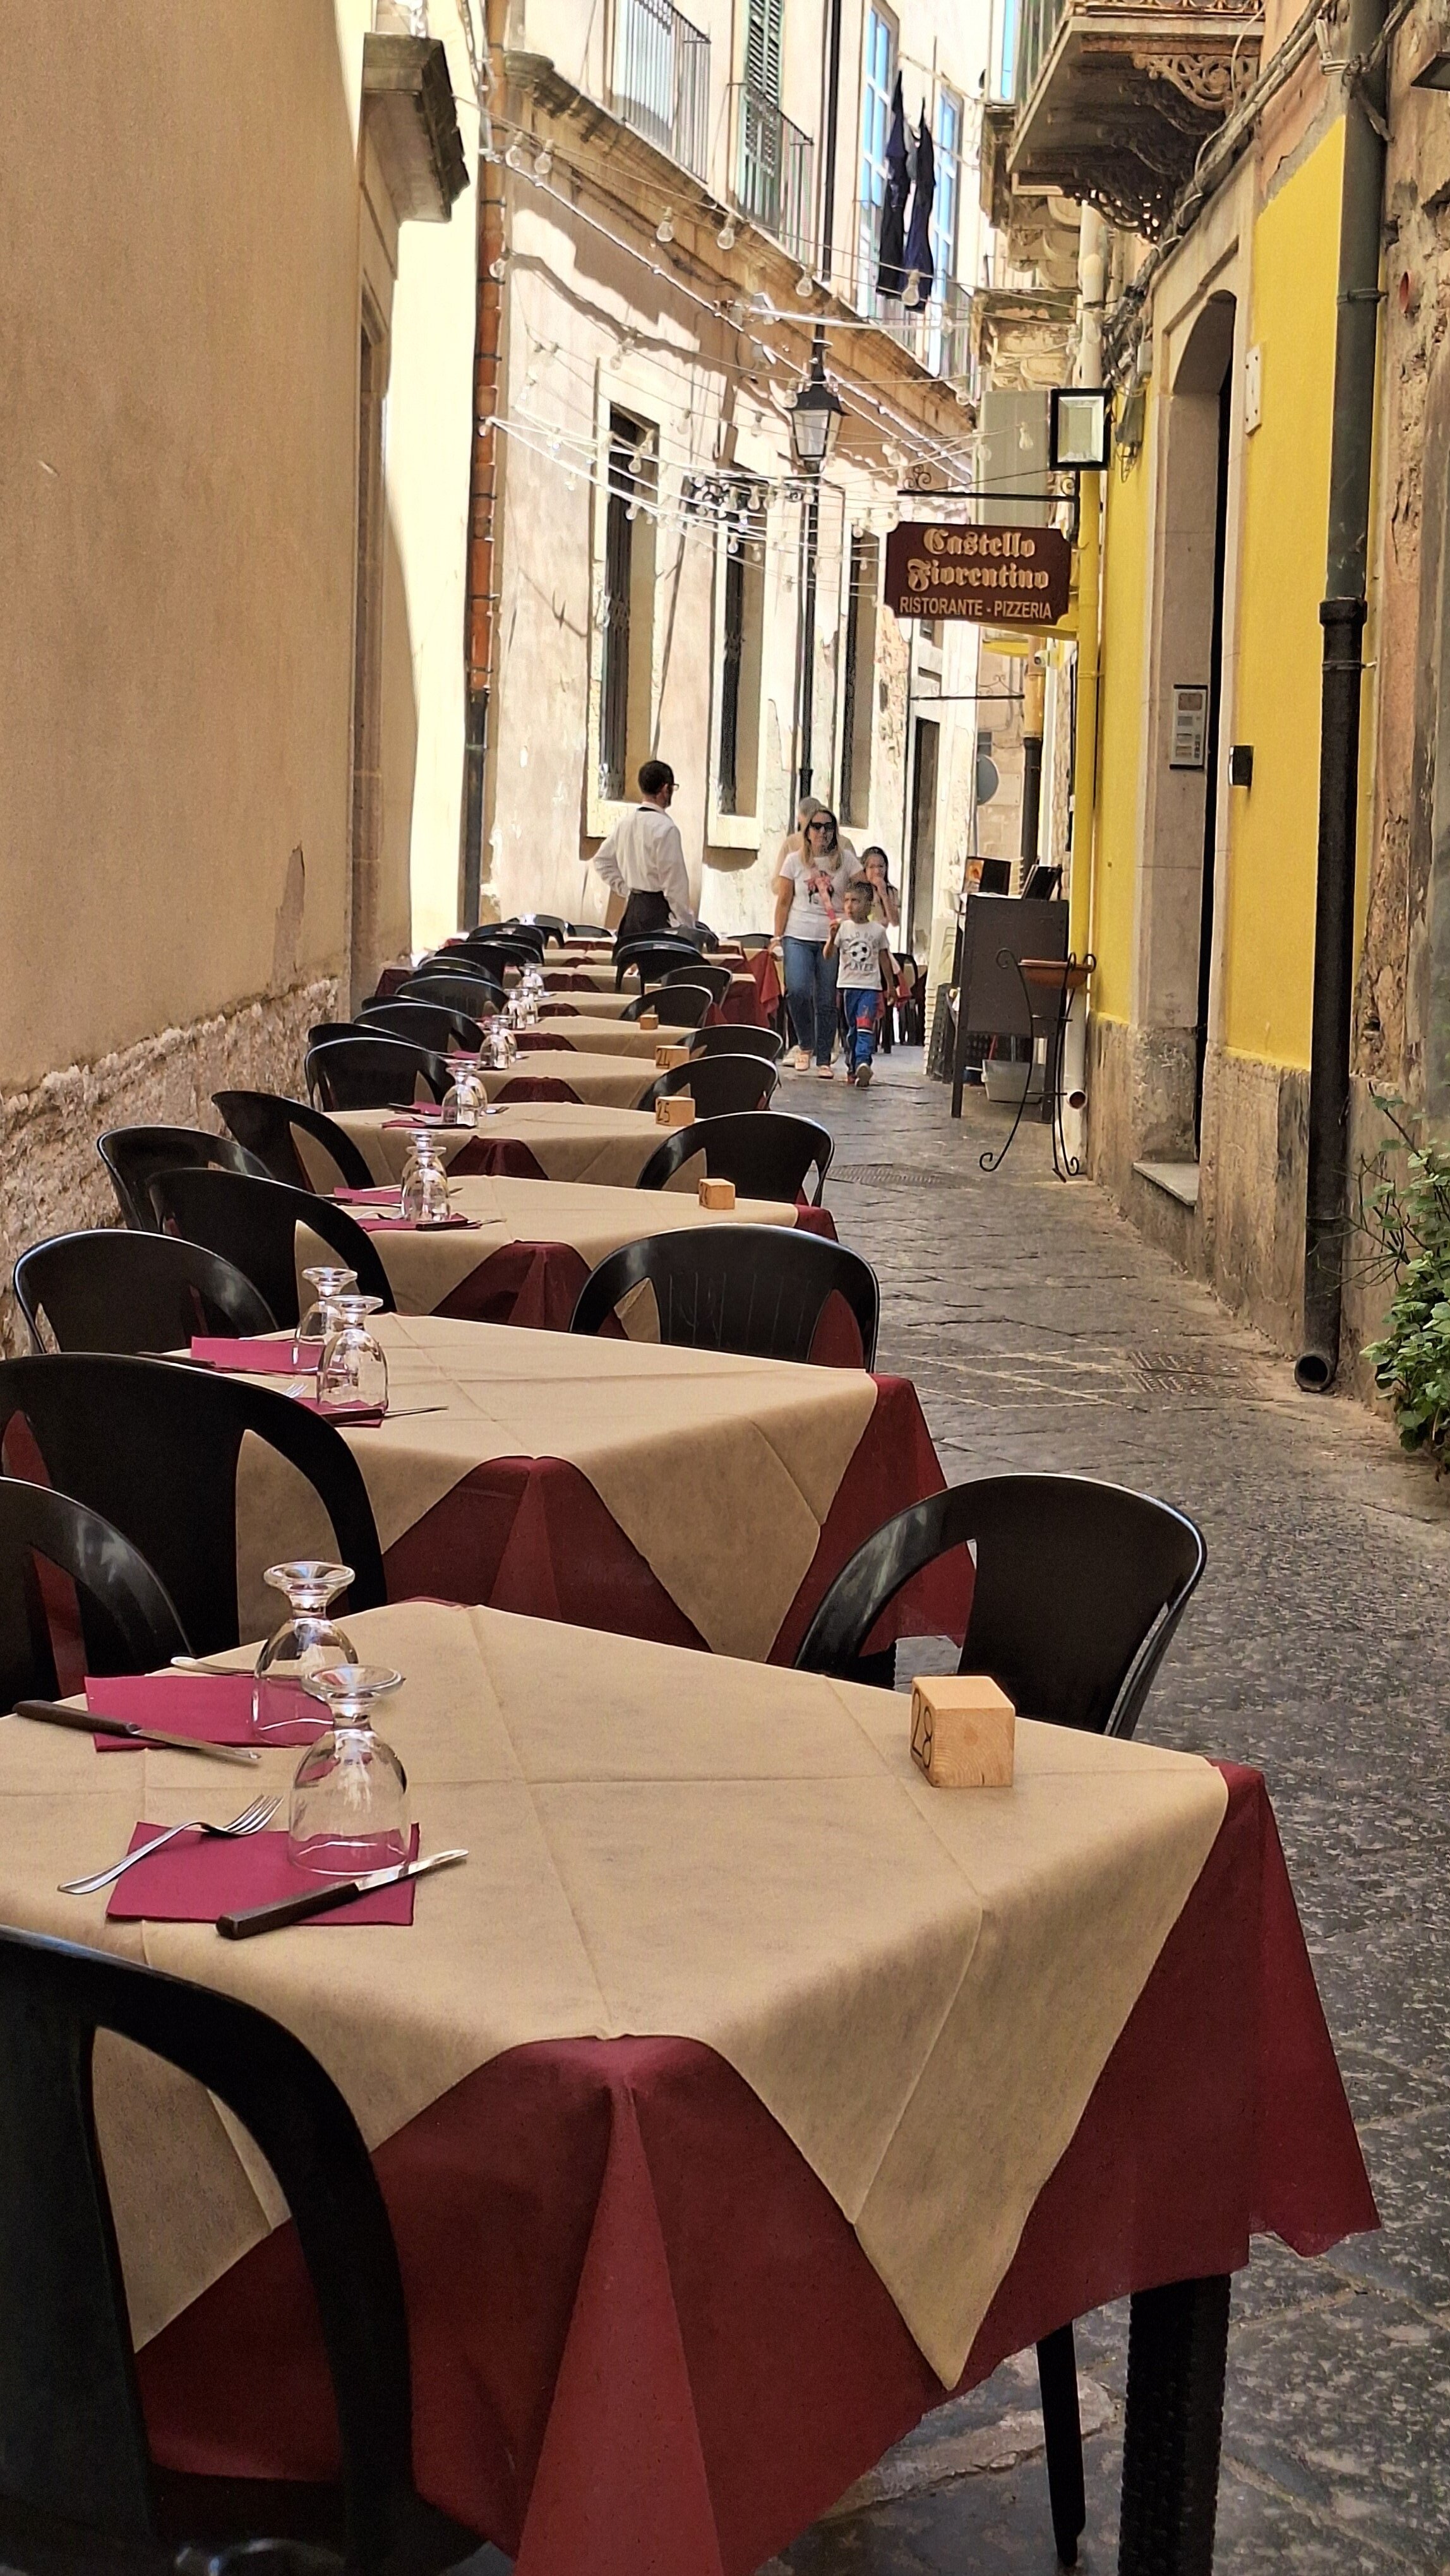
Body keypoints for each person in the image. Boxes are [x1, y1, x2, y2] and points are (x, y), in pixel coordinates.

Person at [772, 808, 853, 1075]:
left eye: (828, 827)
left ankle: (822, 1057)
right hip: (798, 934)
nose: (822, 832)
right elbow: (783, 901)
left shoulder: (847, 862)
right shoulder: (794, 862)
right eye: (816, 827)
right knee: (797, 990)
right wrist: (777, 936)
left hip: (831, 936)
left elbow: (863, 894)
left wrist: (852, 921)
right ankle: (805, 1044)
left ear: (835, 831)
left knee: (827, 999)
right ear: (807, 832)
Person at [593, 759, 697, 946]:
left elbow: (602, 861)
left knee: (629, 966)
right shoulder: (666, 829)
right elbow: (675, 885)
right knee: (657, 970)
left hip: (632, 911)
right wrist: (687, 925)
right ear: (666, 789)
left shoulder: (625, 824)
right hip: (658, 915)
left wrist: (626, 889)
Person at [827, 879, 894, 1088]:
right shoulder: (842, 928)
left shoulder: (877, 931)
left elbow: (884, 959)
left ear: (868, 904)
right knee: (850, 1031)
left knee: (865, 1027)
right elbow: (828, 955)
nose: (849, 905)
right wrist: (831, 938)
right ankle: (852, 1067)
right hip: (846, 988)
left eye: (855, 901)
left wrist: (890, 986)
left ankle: (864, 1062)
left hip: (870, 988)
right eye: (846, 900)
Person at [858, 845, 901, 930]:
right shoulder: (856, 891)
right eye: (872, 867)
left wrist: (884, 895)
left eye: (881, 866)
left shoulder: (892, 892)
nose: (877, 871)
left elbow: (895, 922)